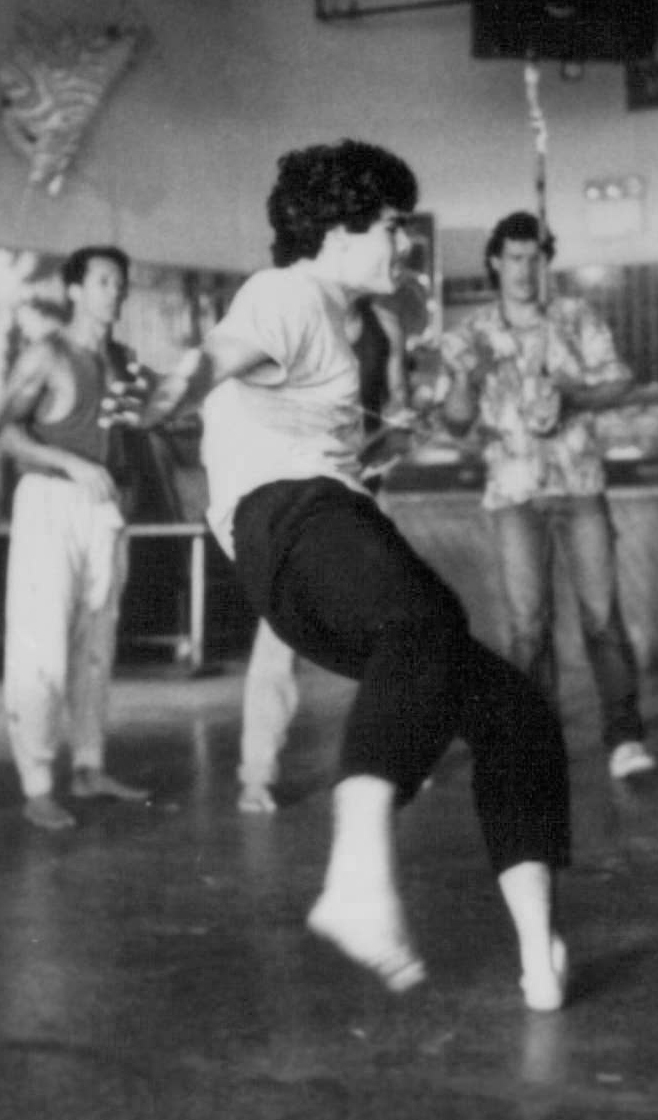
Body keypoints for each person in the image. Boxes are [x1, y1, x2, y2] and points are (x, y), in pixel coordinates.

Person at [134, 141, 572, 1010]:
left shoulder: (339, 318)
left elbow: (307, 426)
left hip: (311, 541)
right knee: (425, 624)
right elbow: (221, 354)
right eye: (389, 228)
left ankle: (537, 951)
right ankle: (355, 883)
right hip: (293, 521)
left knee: (513, 712)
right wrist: (178, 381)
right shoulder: (287, 292)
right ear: (335, 233)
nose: (402, 245)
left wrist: (389, 435)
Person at [437, 211, 656, 781]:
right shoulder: (473, 334)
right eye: (513, 257)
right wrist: (461, 379)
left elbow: (621, 380)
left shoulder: (577, 315)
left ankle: (626, 736)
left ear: (546, 261)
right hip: (512, 494)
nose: (524, 269)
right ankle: (537, 741)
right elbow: (456, 423)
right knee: (527, 625)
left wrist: (573, 397)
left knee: (602, 616)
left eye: (535, 257)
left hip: (580, 486)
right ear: (494, 261)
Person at [0, 246, 150, 831]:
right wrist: (69, 464)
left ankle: (89, 767)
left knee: (96, 645)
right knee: (41, 651)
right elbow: (4, 433)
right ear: (76, 290)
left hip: (103, 511)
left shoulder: (123, 363)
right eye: (104, 281)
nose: (116, 291)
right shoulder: (48, 354)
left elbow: (130, 433)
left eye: (121, 281)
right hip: (49, 502)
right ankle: (37, 784)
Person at [238, 293, 407, 814]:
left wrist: (396, 431)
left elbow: (398, 404)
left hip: (366, 493)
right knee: (277, 636)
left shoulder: (384, 324)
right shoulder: (292, 321)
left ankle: (394, 767)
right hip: (301, 499)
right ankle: (256, 773)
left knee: (398, 629)